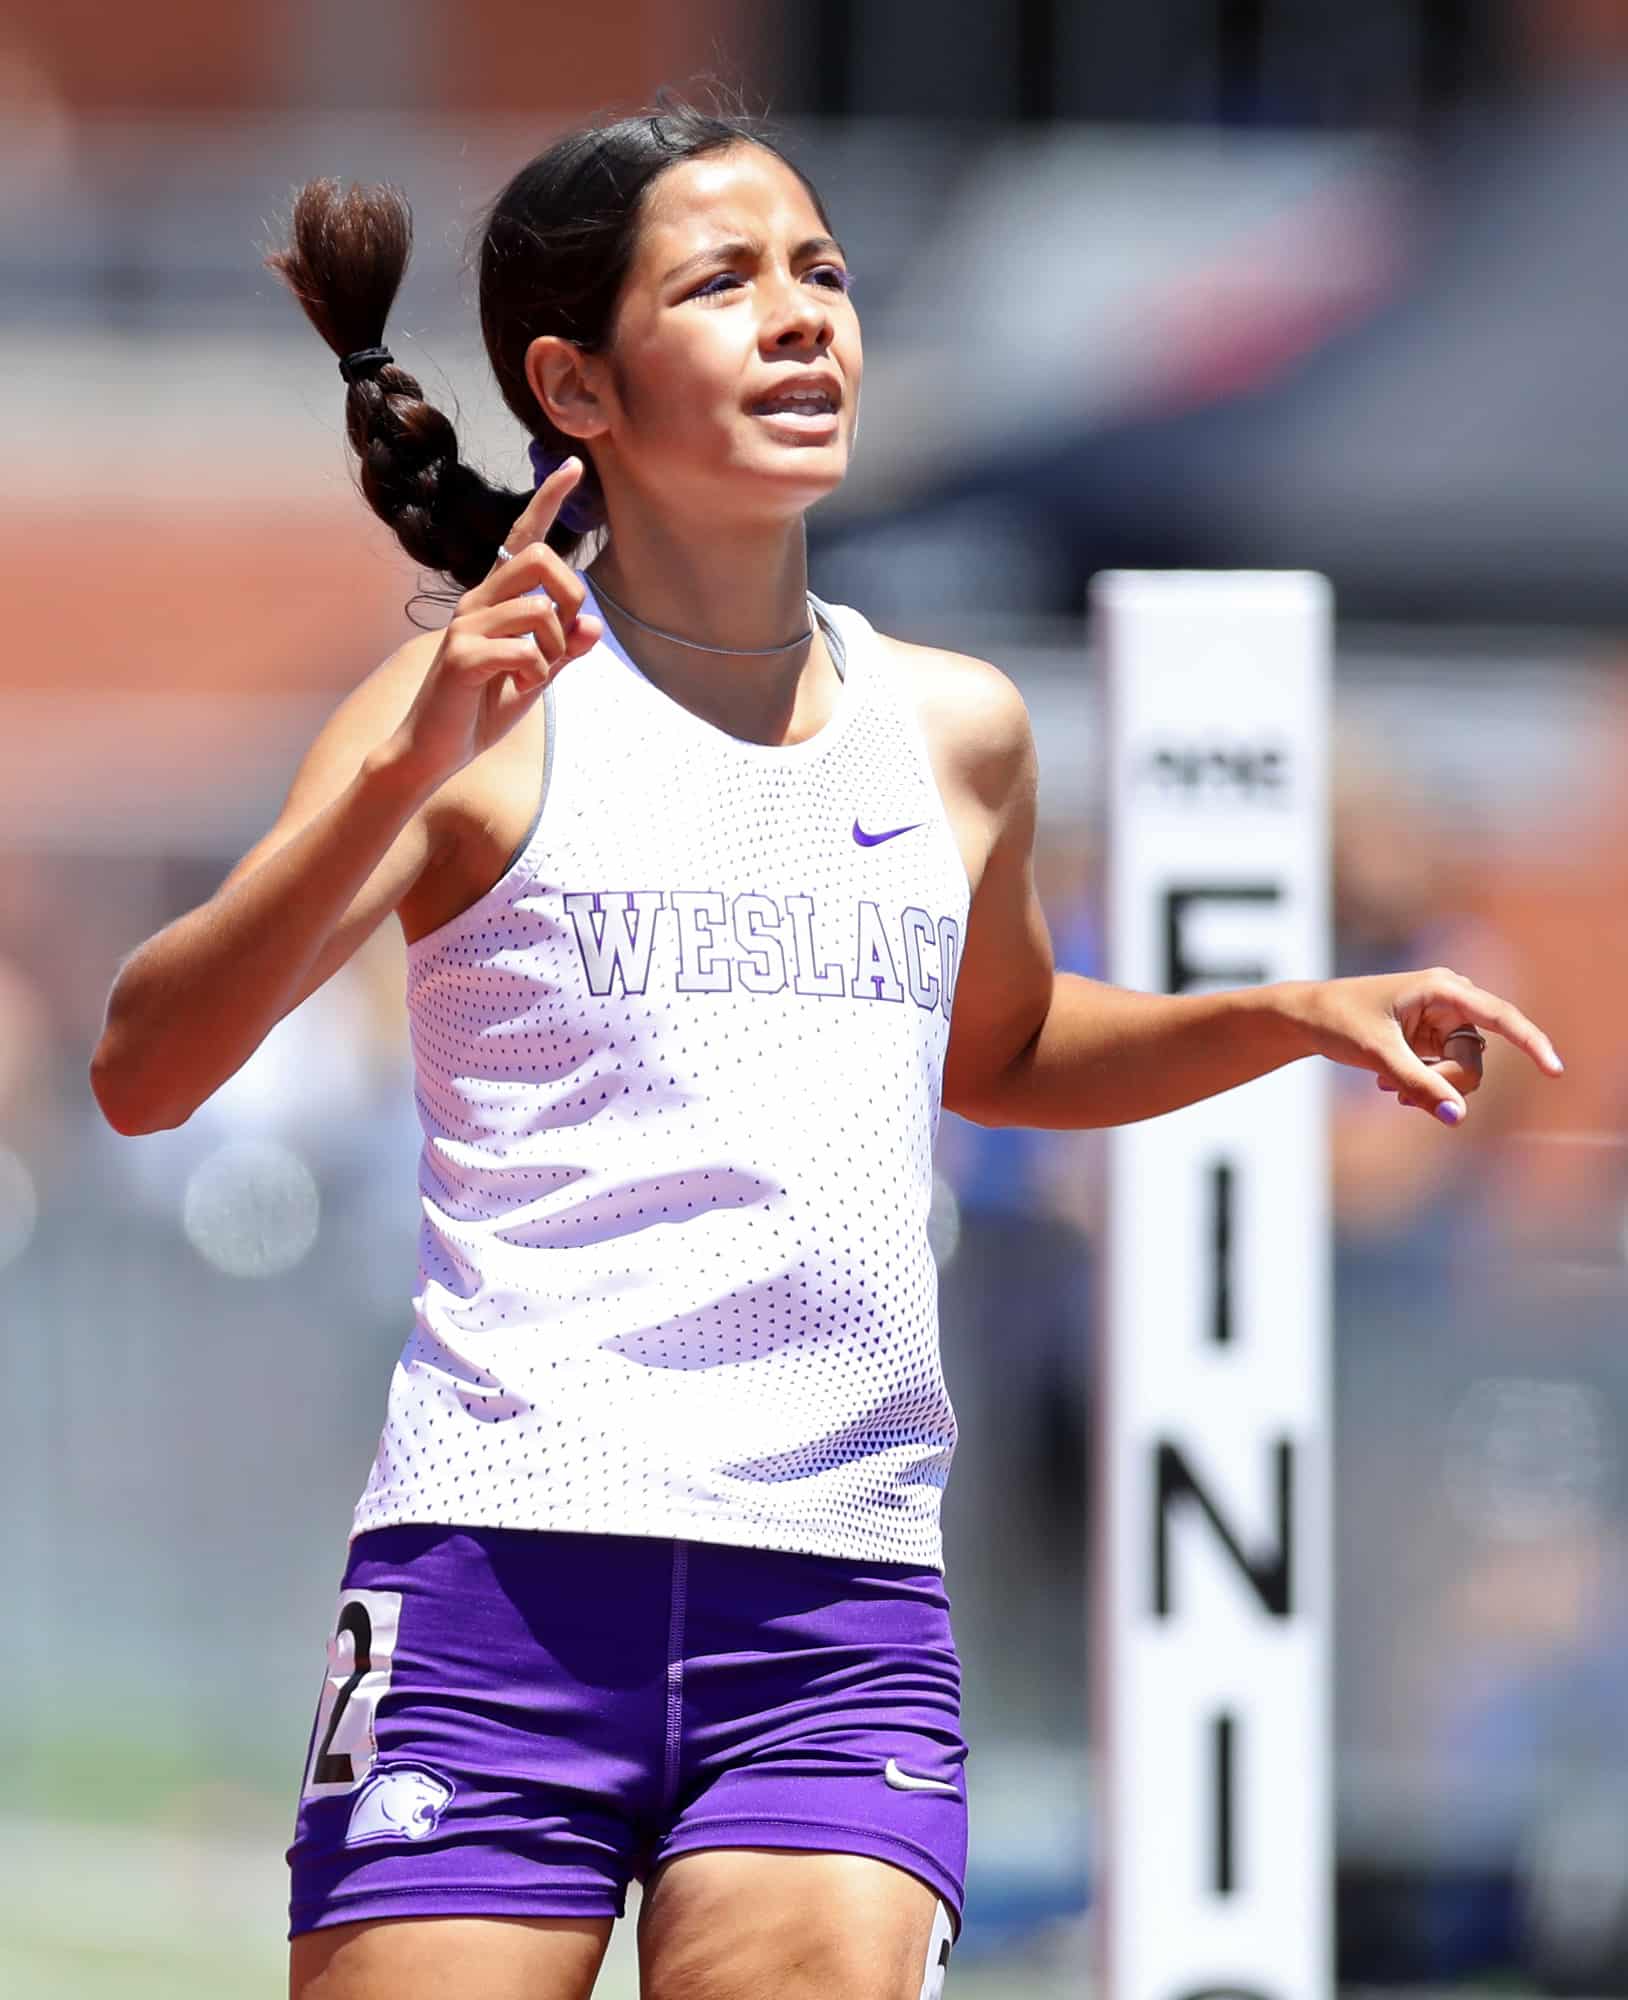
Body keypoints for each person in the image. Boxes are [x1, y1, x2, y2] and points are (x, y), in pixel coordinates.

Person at [87, 99, 1563, 2000]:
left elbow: (1009, 1048)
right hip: (495, 1586)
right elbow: (147, 1064)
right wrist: (405, 765)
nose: (804, 319)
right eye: (725, 283)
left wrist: (1284, 1014)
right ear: (577, 384)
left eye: (825, 274)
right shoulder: (472, 712)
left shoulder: (955, 730)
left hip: (836, 1605)